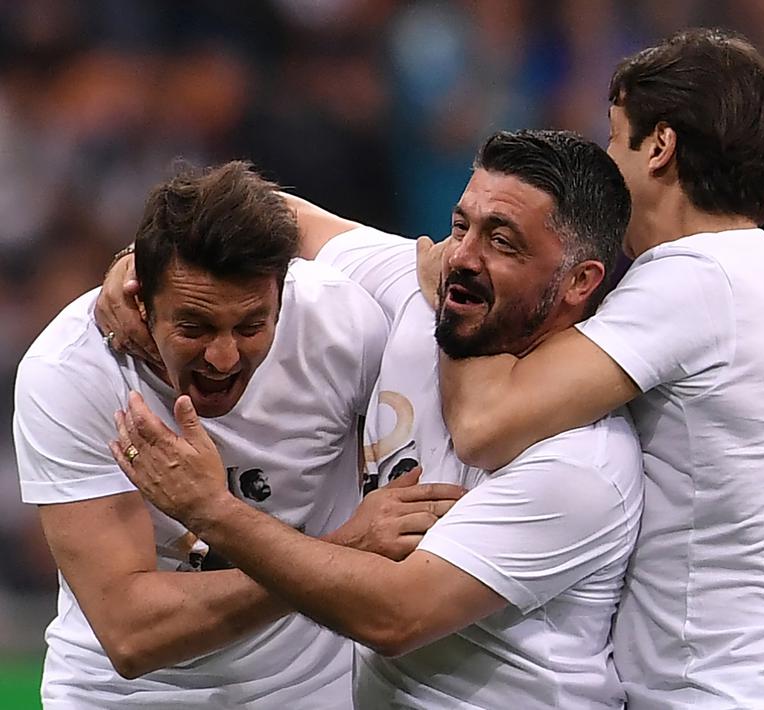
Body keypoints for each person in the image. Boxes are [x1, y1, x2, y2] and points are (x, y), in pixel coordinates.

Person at [107, 130, 645, 708]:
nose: (463, 255)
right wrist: (141, 265)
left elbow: (396, 617)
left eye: (503, 242)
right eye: (461, 225)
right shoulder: (421, 293)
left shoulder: (584, 462)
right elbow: (274, 216)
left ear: (581, 281)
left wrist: (211, 509)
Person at [422, 29, 764, 708]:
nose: (606, 160)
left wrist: (453, 285)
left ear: (658, 146)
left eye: (613, 136)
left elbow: (485, 425)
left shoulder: (695, 283)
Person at [11, 161, 451, 708]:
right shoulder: (73, 373)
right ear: (140, 298)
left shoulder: (344, 327)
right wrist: (342, 551)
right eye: (193, 327)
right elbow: (130, 633)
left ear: (282, 294)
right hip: (124, 698)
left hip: (313, 692)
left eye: (251, 326)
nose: (223, 357)